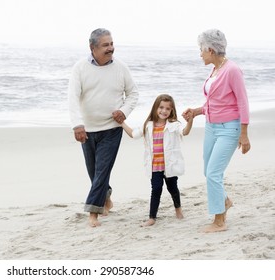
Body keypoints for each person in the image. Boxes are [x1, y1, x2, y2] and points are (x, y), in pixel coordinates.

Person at [68, 28, 139, 227]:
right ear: (93, 48)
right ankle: (105, 196)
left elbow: (133, 94)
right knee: (94, 172)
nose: (111, 48)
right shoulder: (80, 68)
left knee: (101, 170)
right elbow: (72, 98)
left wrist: (124, 111)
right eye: (105, 45)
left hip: (111, 129)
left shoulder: (121, 67)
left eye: (111, 44)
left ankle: (93, 213)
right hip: (87, 130)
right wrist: (77, 125)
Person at [183, 29, 251, 233]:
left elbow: (242, 103)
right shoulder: (215, 70)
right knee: (208, 171)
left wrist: (244, 134)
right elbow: (217, 103)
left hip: (229, 129)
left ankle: (219, 220)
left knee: (213, 173)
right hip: (212, 127)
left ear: (210, 50)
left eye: (201, 50)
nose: (200, 54)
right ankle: (225, 201)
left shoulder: (232, 70)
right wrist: (196, 111)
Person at [120, 94, 193, 226]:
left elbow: (185, 132)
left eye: (168, 109)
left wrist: (190, 121)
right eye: (161, 107)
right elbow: (133, 134)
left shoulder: (174, 124)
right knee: (156, 189)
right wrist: (121, 122)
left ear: (172, 111)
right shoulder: (148, 125)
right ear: (155, 108)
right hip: (154, 166)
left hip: (169, 165)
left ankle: (178, 209)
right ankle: (152, 217)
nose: (164, 111)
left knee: (173, 188)